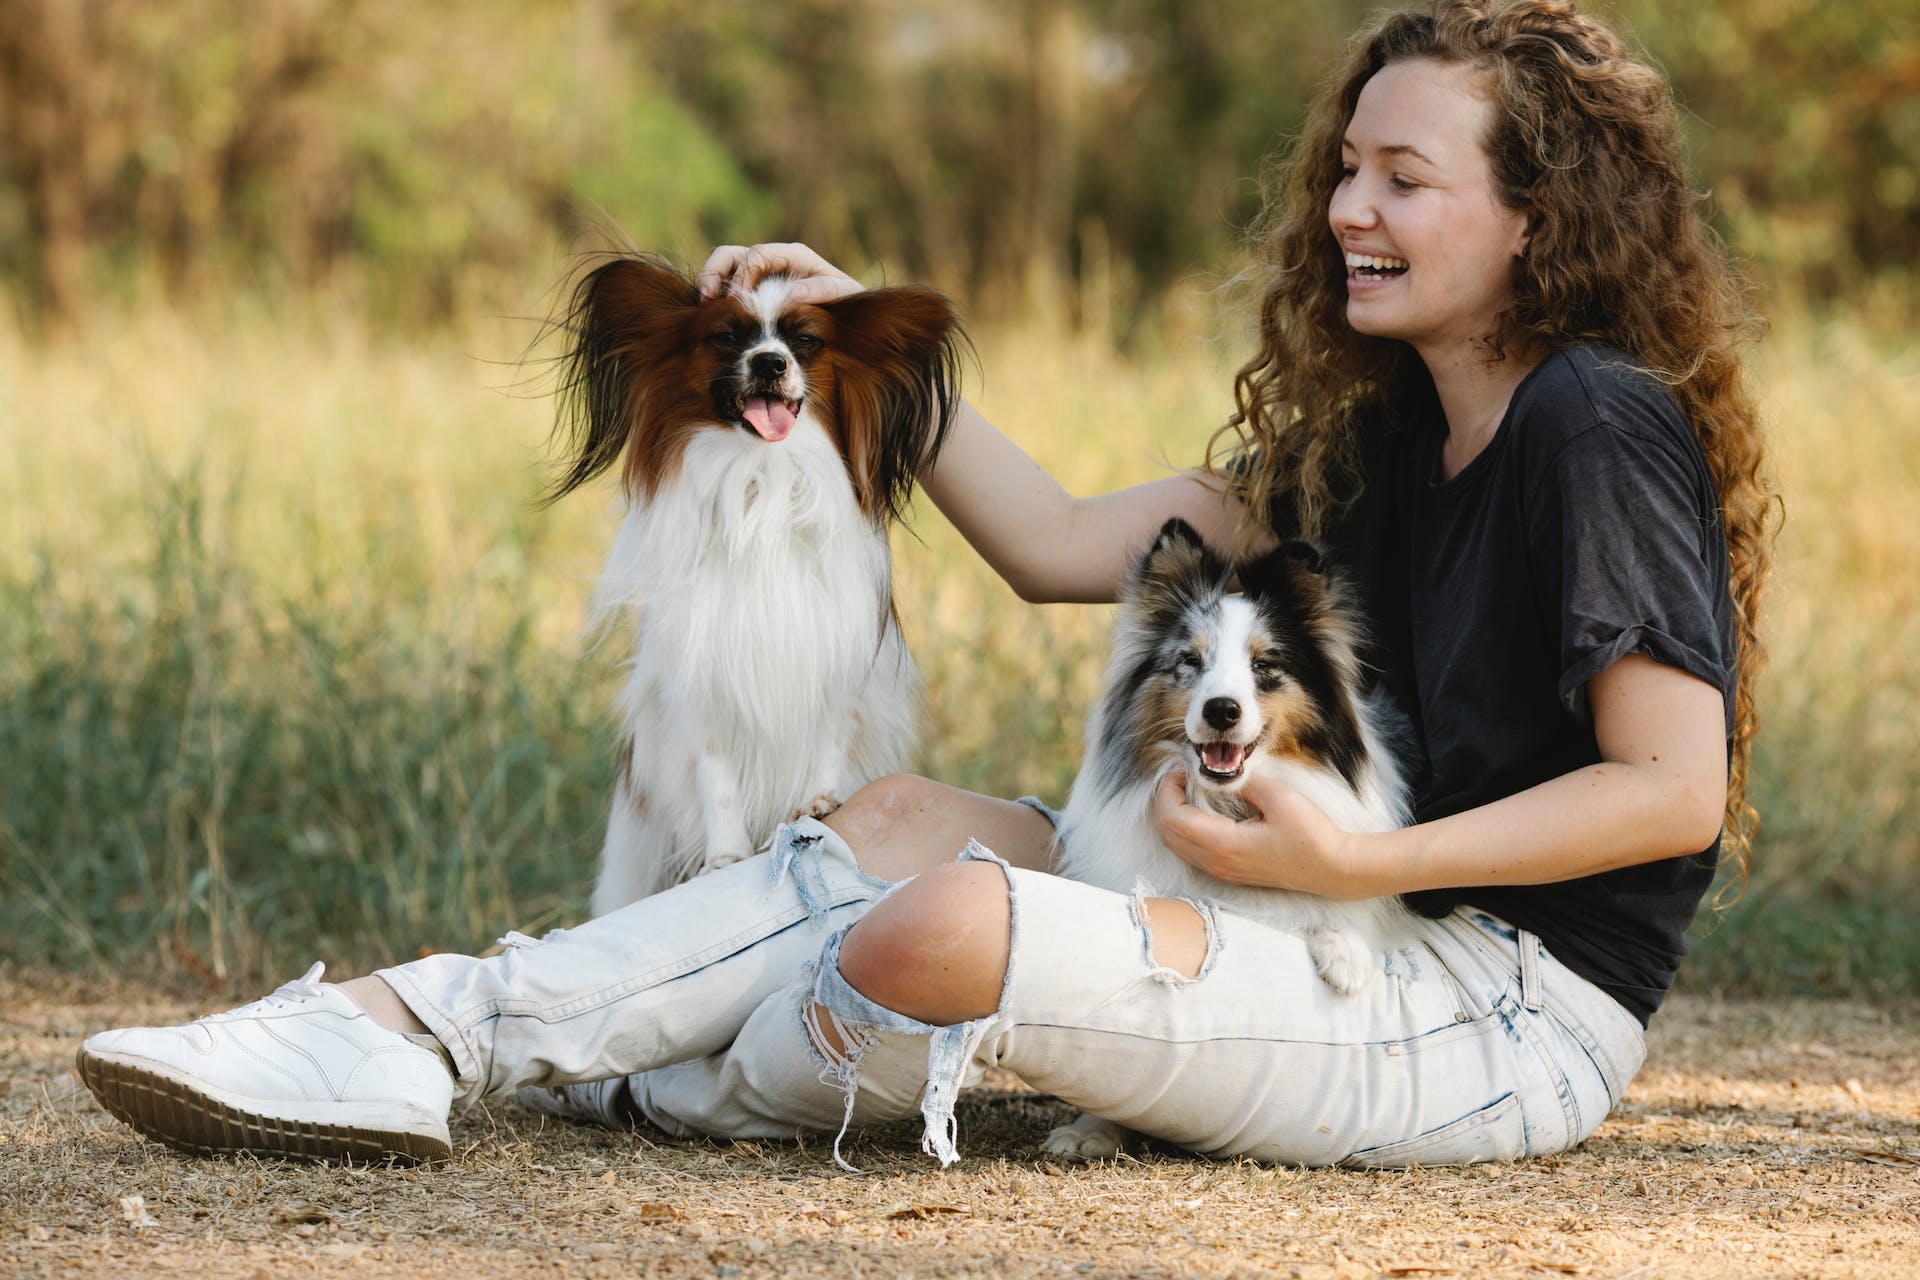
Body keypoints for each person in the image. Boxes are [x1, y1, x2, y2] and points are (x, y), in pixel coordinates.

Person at [78, 0, 1776, 1170]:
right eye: (1348, 167)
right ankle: (407, 1027)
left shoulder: (1594, 426)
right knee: (894, 826)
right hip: (1318, 908)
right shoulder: (1370, 445)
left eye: (1405, 179)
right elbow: (1048, 545)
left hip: (1493, 1004)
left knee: (948, 922)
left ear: (1539, 220)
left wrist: (1364, 854)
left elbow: (1668, 788)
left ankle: (664, 1091)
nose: (1348, 207)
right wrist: (849, 321)